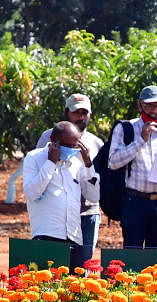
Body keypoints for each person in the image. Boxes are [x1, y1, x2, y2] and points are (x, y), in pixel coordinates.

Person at [107, 85, 157, 249]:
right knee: (132, 253)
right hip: (134, 201)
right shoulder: (126, 128)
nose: (154, 111)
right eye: (149, 105)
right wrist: (140, 140)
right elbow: (113, 162)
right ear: (140, 105)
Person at [36, 94, 103, 267]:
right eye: (76, 112)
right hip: (56, 213)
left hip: (87, 213)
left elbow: (97, 180)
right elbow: (38, 171)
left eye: (84, 112)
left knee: (83, 268)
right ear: (66, 112)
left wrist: (88, 162)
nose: (80, 117)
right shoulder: (48, 137)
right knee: (54, 266)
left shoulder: (96, 143)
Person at [23, 121, 95, 269]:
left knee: (73, 288)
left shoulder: (76, 164)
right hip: (47, 236)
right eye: (66, 145)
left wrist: (88, 165)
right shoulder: (34, 158)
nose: (70, 150)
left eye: (74, 146)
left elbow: (93, 196)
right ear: (53, 139)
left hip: (74, 237)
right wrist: (50, 162)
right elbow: (31, 193)